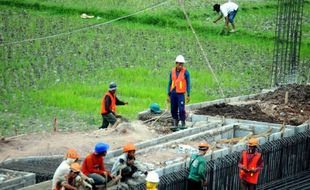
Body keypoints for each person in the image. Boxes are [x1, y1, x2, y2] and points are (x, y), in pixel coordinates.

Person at [167, 55, 190, 130]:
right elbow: (170, 83)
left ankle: (183, 122)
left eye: (182, 64)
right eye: (179, 64)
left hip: (180, 94)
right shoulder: (172, 71)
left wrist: (188, 94)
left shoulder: (186, 72)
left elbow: (188, 84)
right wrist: (168, 94)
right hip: (173, 93)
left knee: (181, 109)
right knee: (173, 109)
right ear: (176, 63)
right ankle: (175, 122)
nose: (181, 65)